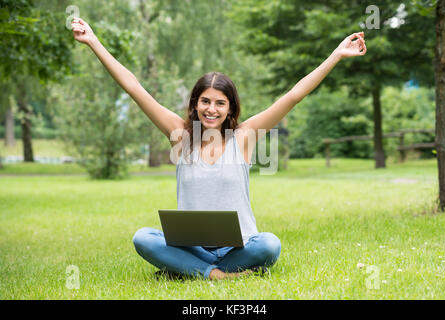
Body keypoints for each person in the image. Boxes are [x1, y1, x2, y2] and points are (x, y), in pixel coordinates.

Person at [71, 17, 367, 280]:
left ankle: (188, 268)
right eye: (205, 101)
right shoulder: (180, 137)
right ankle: (215, 272)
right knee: (143, 238)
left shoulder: (244, 137)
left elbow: (293, 96)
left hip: (240, 245)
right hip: (192, 244)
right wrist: (93, 42)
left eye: (220, 103)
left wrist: (336, 55)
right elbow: (134, 88)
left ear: (230, 108)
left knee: (269, 244)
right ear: (195, 104)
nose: (211, 109)